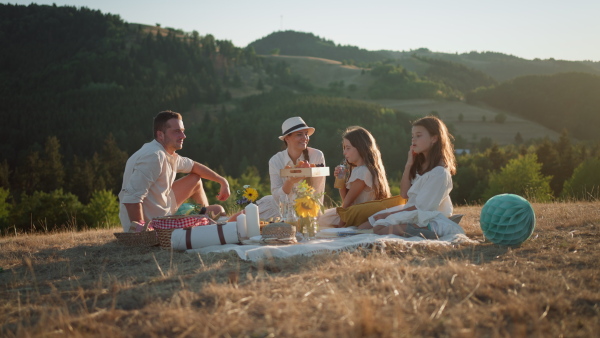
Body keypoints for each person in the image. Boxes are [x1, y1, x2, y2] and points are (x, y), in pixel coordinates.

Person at [118, 111, 230, 232]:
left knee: (195, 180)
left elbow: (194, 166)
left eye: (183, 131)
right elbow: (131, 199)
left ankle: (205, 221)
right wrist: (141, 233)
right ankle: (208, 226)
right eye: (177, 131)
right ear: (160, 135)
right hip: (153, 224)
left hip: (161, 208)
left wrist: (222, 181)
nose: (183, 136)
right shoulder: (154, 157)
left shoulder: (164, 152)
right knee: (218, 210)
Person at [364, 116, 464, 239]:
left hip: (426, 217)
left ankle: (427, 231)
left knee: (379, 229)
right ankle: (411, 229)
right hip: (412, 211)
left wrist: (389, 214)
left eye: (419, 135)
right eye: (412, 136)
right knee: (366, 224)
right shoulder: (420, 166)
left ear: (434, 138)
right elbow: (404, 194)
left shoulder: (439, 173)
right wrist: (409, 164)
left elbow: (422, 208)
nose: (413, 140)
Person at [318, 126, 391, 228]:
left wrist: (341, 227)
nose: (344, 152)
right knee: (321, 217)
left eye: (348, 148)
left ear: (361, 148)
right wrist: (341, 179)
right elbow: (346, 199)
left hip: (359, 216)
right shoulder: (363, 169)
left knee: (319, 220)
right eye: (344, 148)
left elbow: (347, 203)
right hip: (357, 214)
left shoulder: (362, 172)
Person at [262, 116, 326, 219]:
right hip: (279, 209)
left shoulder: (316, 156)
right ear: (287, 138)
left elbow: (318, 192)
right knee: (245, 214)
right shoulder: (275, 161)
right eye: (299, 134)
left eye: (306, 134)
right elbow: (276, 197)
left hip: (307, 209)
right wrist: (289, 182)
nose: (305, 138)